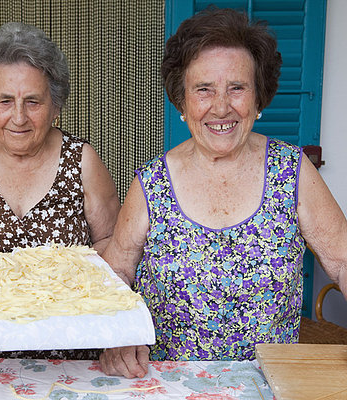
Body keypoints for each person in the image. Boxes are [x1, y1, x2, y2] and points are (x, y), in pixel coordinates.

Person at [99, 7, 347, 378]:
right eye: (204, 90)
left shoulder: (293, 173)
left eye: (237, 88)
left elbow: (343, 262)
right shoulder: (152, 183)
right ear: (182, 101)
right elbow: (117, 271)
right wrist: (116, 337)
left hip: (267, 385)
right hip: (168, 384)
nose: (220, 106)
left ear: (258, 97)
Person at [0, 22, 120, 359]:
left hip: (71, 346)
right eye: (5, 101)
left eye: (33, 102)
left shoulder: (82, 160)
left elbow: (112, 243)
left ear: (56, 106)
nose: (19, 117)